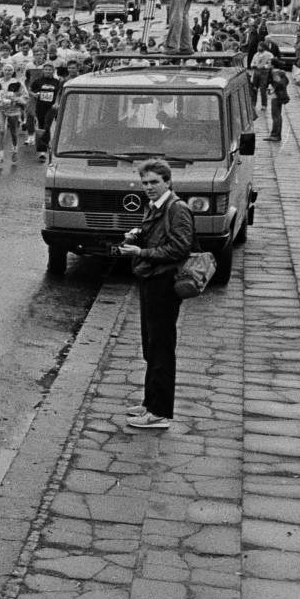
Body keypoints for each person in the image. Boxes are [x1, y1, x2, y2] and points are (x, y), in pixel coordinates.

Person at [115, 158, 196, 431]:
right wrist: (136, 237)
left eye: (154, 182)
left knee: (161, 347)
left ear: (168, 182)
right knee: (151, 345)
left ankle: (160, 413)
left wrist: (141, 253)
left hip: (164, 282)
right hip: (151, 280)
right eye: (145, 183)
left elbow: (179, 248)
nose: (149, 187)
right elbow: (158, 238)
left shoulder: (177, 209)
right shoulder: (155, 207)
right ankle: (150, 402)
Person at [266, 63, 291, 144]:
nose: (267, 64)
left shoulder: (274, 73)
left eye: (269, 63)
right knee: (277, 116)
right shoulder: (281, 73)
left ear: (273, 65)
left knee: (276, 116)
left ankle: (275, 135)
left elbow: (280, 83)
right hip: (278, 97)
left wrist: (273, 88)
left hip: (276, 97)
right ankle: (275, 134)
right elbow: (287, 81)